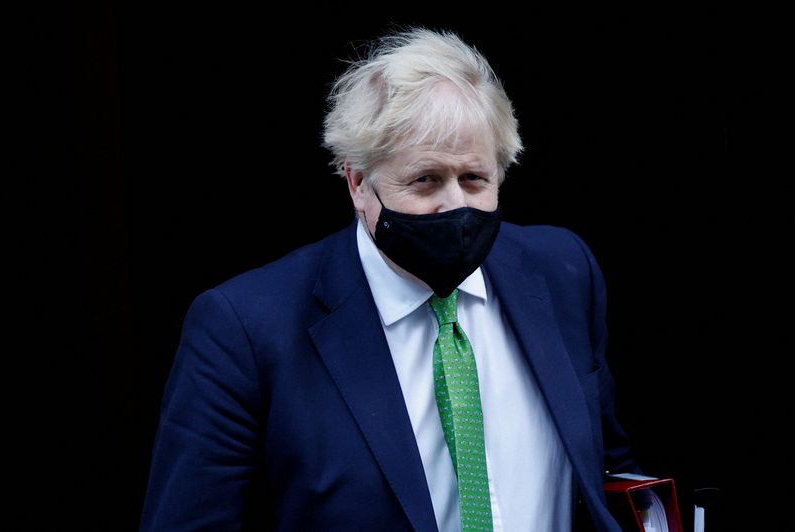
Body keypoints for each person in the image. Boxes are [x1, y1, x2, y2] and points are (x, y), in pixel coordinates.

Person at [140, 27, 639, 531]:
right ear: (357, 182)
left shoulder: (562, 274)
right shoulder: (245, 330)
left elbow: (611, 473)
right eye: (425, 180)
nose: (455, 206)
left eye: (474, 178)